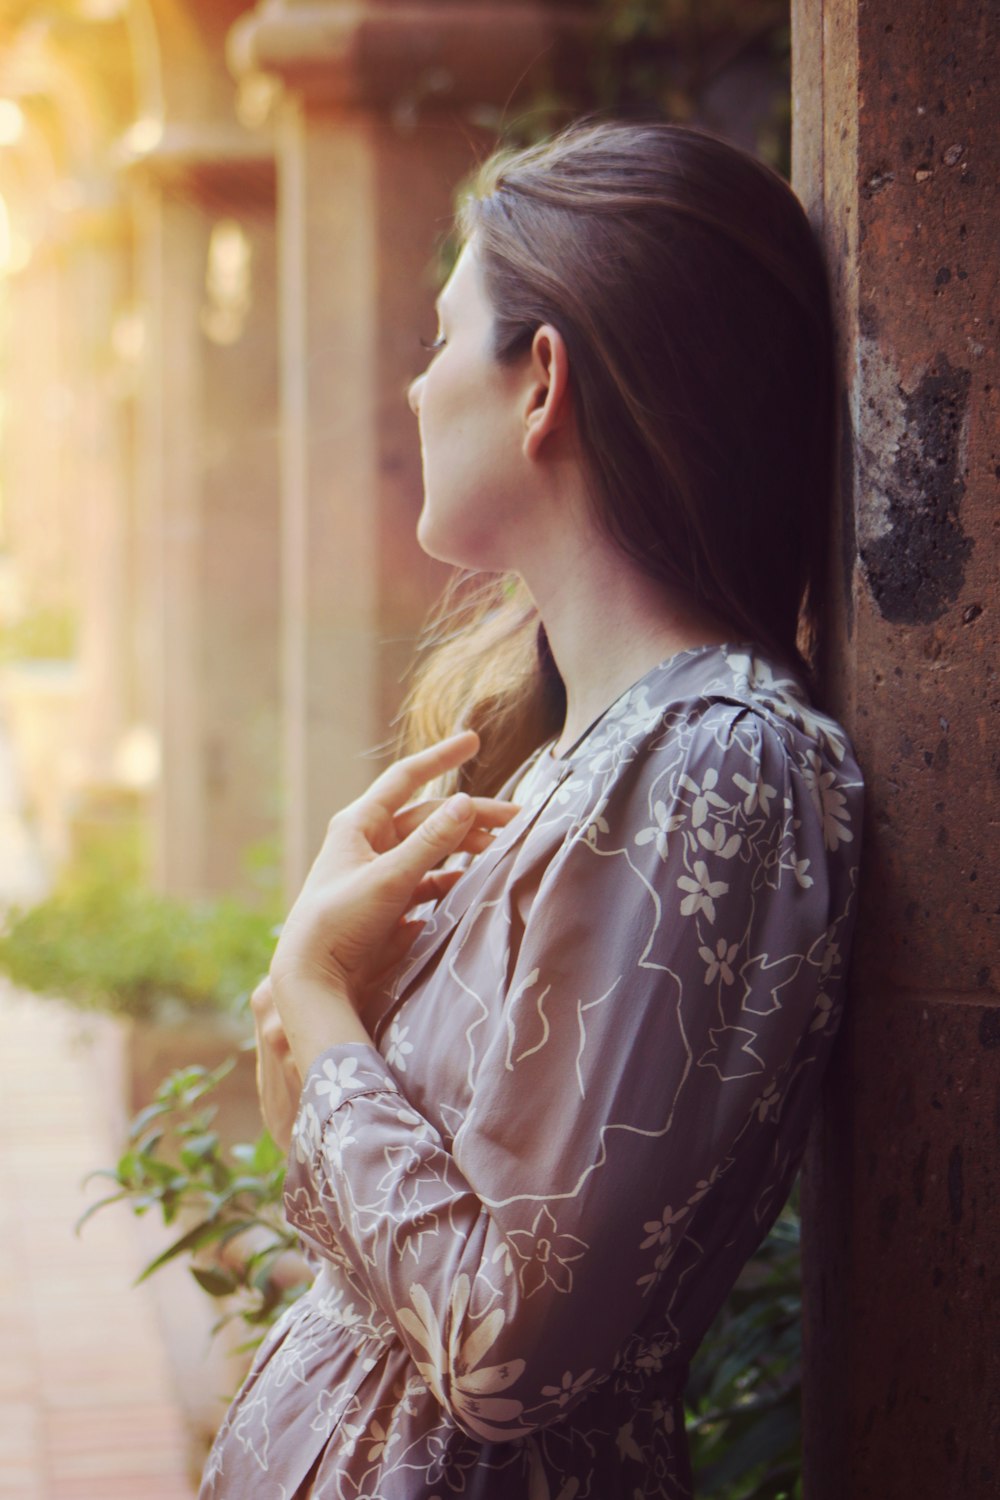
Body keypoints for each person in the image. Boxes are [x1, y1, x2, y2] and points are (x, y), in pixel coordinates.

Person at [200, 119, 863, 1499]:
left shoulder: (721, 765)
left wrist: (314, 999)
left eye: (444, 338)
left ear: (539, 381)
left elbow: (505, 1347)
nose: (415, 383)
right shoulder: (588, 751)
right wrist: (324, 993)